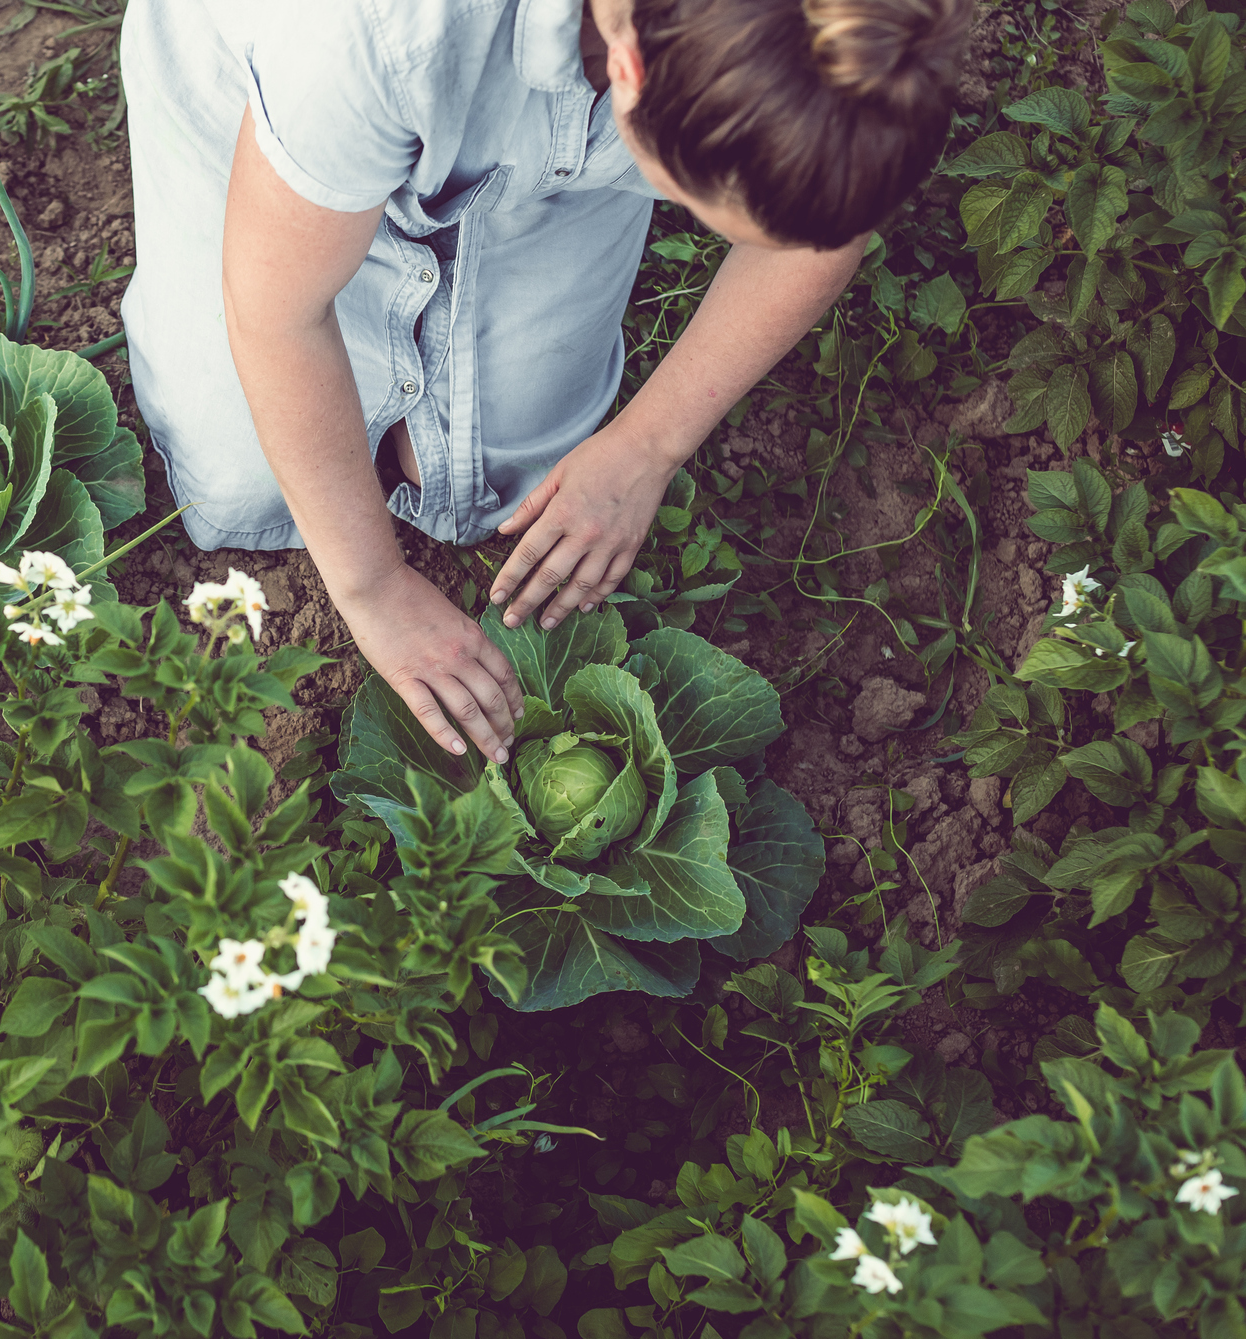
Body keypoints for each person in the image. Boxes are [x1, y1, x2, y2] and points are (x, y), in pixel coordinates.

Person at [120, 0, 970, 765]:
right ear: (631, 71)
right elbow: (275, 315)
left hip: (561, 150)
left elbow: (822, 228)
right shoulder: (364, 31)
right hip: (272, 117)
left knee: (501, 488)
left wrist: (647, 446)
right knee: (243, 487)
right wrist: (372, 591)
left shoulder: (855, 32)